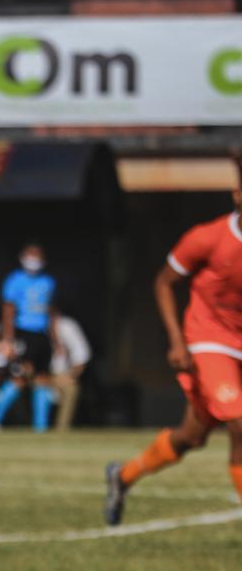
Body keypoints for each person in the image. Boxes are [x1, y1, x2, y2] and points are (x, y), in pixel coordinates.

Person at [104, 186, 242, 525]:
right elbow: (163, 282)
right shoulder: (208, 237)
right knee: (240, 421)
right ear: (238, 195)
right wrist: (177, 341)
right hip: (208, 341)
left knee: (191, 436)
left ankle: (122, 476)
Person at [0, 242, 59, 434]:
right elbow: (8, 310)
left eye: (37, 256)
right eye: (30, 256)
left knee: (43, 379)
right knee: (20, 377)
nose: (33, 261)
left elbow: (51, 312)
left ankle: (40, 428)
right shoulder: (15, 280)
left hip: (41, 335)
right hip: (24, 331)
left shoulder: (48, 282)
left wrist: (55, 339)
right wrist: (8, 338)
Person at [51, 313, 90, 431]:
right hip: (34, 373)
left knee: (71, 389)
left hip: (59, 373)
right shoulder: (29, 323)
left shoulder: (67, 326)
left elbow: (82, 355)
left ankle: (61, 430)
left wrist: (71, 376)